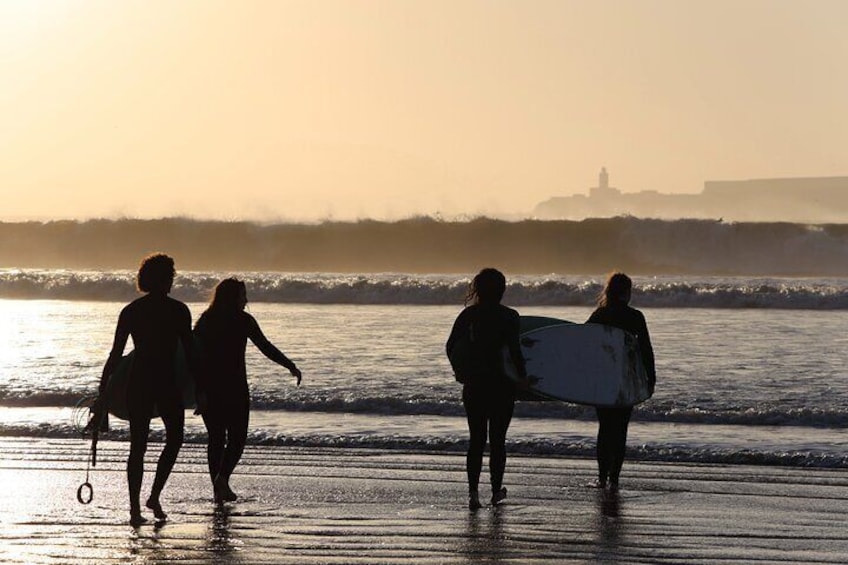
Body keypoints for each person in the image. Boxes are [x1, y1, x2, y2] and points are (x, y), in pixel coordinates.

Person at [99, 253, 195, 526]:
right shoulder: (178, 310)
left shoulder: (132, 310)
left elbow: (115, 355)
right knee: (171, 439)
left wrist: (102, 390)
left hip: (141, 380)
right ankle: (147, 500)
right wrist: (202, 387)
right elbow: (190, 354)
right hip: (164, 381)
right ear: (163, 279)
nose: (172, 280)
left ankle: (139, 507)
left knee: (140, 446)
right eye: (170, 276)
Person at [193, 278, 302, 503]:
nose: (246, 300)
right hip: (234, 388)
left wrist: (198, 390)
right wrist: (289, 365)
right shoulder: (243, 320)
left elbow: (194, 356)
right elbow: (265, 346)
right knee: (237, 439)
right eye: (243, 295)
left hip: (210, 388)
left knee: (216, 439)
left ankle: (218, 486)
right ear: (233, 297)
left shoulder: (206, 319)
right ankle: (221, 480)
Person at [446, 268, 530, 510]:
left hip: (474, 384)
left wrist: (460, 371)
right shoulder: (510, 316)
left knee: (476, 440)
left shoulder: (467, 316)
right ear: (502, 290)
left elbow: (451, 346)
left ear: (478, 289)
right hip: (502, 386)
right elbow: (515, 351)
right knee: (498, 441)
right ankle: (495, 492)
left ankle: (473, 493)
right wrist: (523, 378)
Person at [586, 272, 656, 490]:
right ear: (627, 293)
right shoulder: (635, 316)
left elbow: (583, 344)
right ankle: (615, 478)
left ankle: (601, 477)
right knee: (620, 429)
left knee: (605, 428)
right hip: (626, 379)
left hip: (603, 378)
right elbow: (646, 350)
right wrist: (650, 378)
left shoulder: (599, 314)